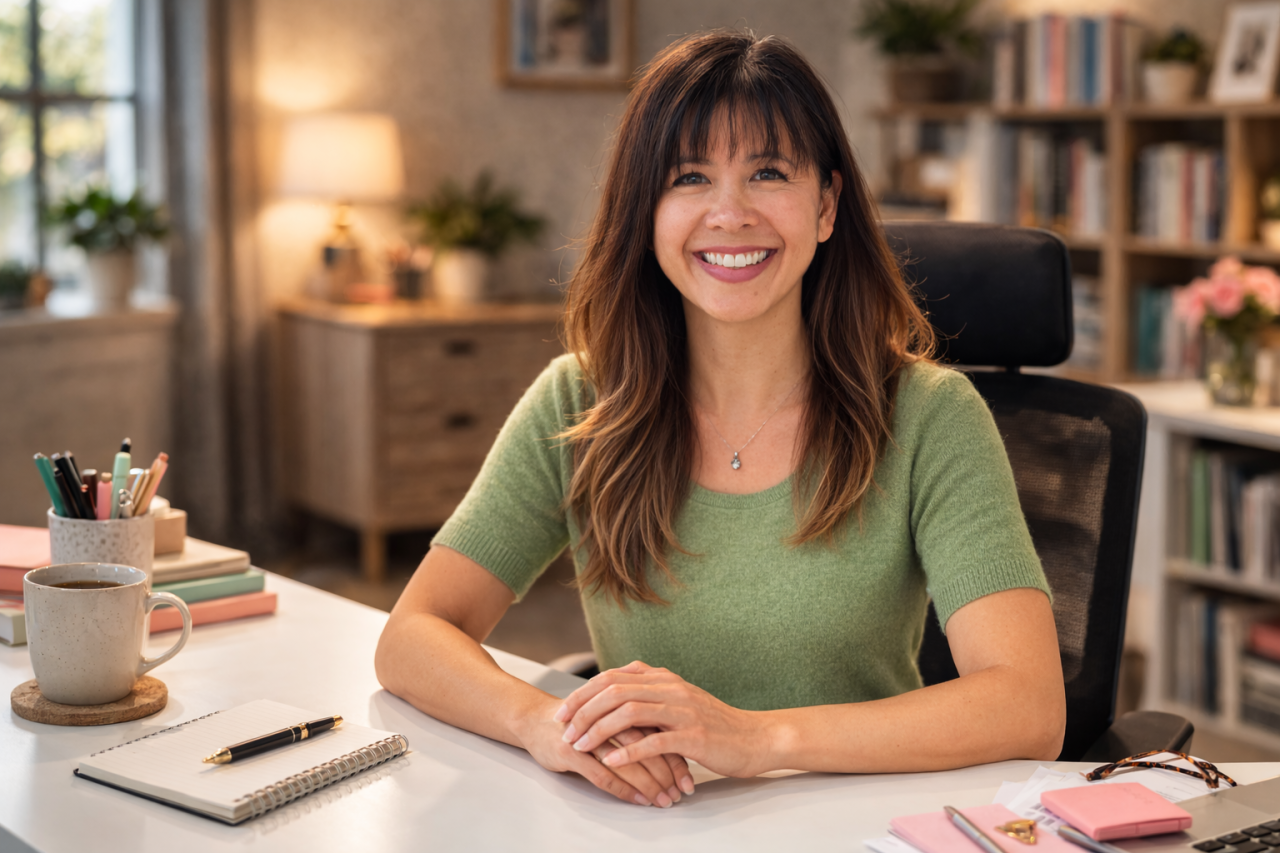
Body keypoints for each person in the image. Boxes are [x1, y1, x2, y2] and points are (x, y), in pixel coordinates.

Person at [374, 30, 1066, 810]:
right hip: (650, 825)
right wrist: (542, 723)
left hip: (854, 822)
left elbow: (1028, 705)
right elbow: (412, 636)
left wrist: (757, 739)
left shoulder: (930, 416)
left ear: (827, 205)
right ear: (647, 211)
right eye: (689, 178)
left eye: (769, 173)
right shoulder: (582, 402)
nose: (729, 213)